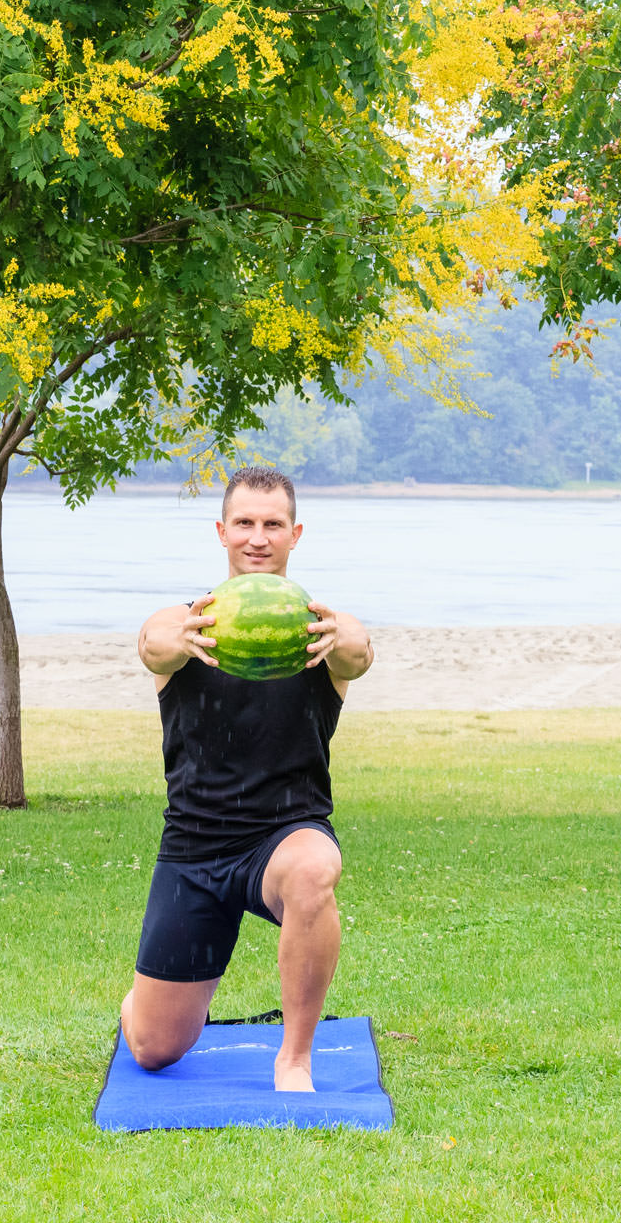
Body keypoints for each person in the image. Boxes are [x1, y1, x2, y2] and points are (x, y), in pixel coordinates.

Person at [120, 466, 374, 1092]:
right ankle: (154, 999)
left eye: (273, 525)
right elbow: (152, 644)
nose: (258, 537)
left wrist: (344, 636)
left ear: (295, 534)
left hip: (284, 836)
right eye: (245, 523)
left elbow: (359, 654)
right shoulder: (186, 622)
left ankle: (294, 1057)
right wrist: (174, 637)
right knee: (155, 1048)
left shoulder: (322, 629)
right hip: (194, 849)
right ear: (222, 531)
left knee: (315, 868)